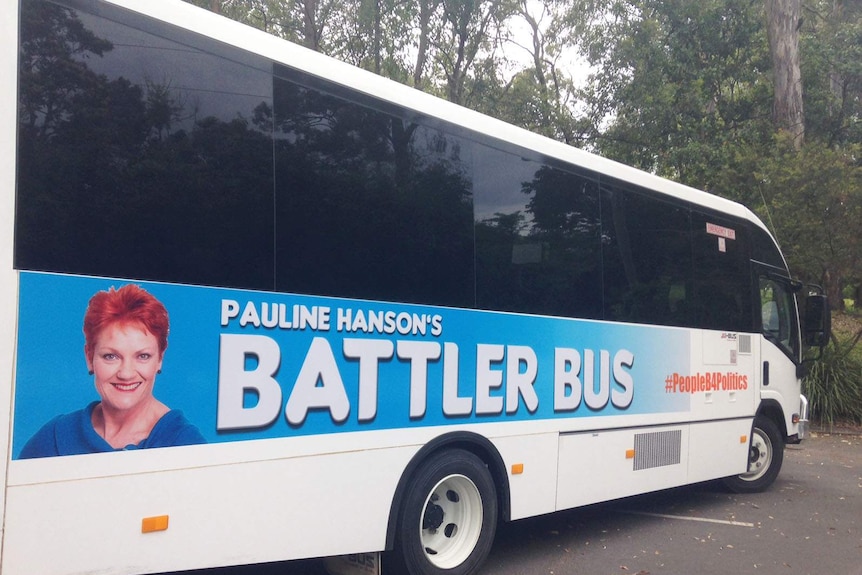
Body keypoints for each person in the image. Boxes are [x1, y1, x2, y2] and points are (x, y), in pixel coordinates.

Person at [20, 284, 205, 458]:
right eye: (111, 356)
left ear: (160, 359)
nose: (126, 373)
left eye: (143, 356)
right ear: (89, 357)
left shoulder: (186, 445)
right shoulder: (55, 438)